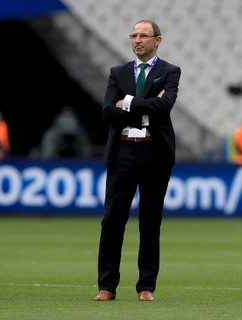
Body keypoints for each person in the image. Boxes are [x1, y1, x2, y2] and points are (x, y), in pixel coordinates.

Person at [92, 19, 181, 302]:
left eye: (144, 35)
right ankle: (107, 286)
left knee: (150, 221)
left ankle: (146, 286)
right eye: (134, 35)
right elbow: (108, 112)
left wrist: (127, 102)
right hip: (123, 152)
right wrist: (145, 107)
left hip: (155, 153)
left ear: (158, 40)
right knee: (112, 221)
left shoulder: (170, 71)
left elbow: (165, 105)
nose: (137, 40)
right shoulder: (117, 72)